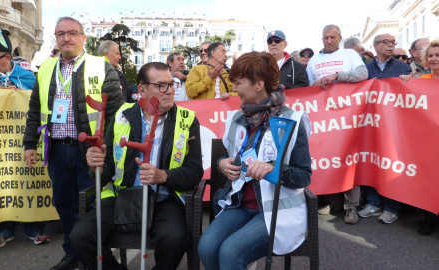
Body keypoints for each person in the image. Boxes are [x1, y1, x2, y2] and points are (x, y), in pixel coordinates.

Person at [70, 62, 203, 270]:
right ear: (142, 89)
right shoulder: (122, 115)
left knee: (174, 240)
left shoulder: (187, 119)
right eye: (161, 85)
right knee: (80, 236)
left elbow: (195, 171)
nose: (169, 91)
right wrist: (96, 165)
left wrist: (163, 176)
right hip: (121, 196)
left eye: (172, 84)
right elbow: (104, 170)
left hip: (164, 199)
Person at [23, 16, 123, 270]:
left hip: (90, 151)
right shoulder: (46, 68)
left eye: (72, 33)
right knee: (64, 203)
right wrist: (30, 145)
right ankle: (72, 253)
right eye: (60, 34)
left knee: (94, 203)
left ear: (84, 38)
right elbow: (35, 109)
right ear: (55, 39)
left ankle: (98, 256)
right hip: (56, 149)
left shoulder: (101, 66)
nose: (66, 38)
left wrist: (106, 147)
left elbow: (114, 112)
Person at [198, 51, 312, 270]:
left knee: (231, 253)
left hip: (277, 210)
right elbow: (229, 156)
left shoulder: (292, 120)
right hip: (239, 204)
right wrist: (222, 163)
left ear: (259, 85)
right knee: (206, 247)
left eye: (239, 83)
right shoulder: (236, 118)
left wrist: (273, 169)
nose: (234, 89)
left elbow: (303, 176)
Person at [0, 22, 45, 247]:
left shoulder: (30, 78)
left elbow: (40, 108)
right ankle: (4, 230)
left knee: (30, 182)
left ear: (7, 57)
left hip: (26, 141)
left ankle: (35, 229)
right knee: (1, 184)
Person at [306, 24, 368, 224]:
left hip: (347, 117)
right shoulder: (314, 60)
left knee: (348, 160)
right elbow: (307, 90)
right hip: (323, 119)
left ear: (340, 38)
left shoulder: (350, 55)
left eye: (333, 37)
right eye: (326, 37)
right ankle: (334, 203)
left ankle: (351, 208)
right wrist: (316, 85)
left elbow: (363, 75)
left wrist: (337, 76)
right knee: (328, 159)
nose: (329, 41)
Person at [358, 33, 412, 224]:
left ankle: (391, 207)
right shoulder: (365, 69)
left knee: (391, 165)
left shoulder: (403, 68)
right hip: (371, 126)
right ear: (375, 46)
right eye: (385, 42)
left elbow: (411, 94)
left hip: (394, 127)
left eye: (392, 43)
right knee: (373, 163)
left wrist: (408, 81)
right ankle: (374, 203)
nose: (390, 46)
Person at [416, 39, 439, 234]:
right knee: (428, 181)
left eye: (437, 55)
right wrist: (404, 83)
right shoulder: (422, 80)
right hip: (427, 141)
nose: (433, 58)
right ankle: (429, 219)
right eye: (430, 55)